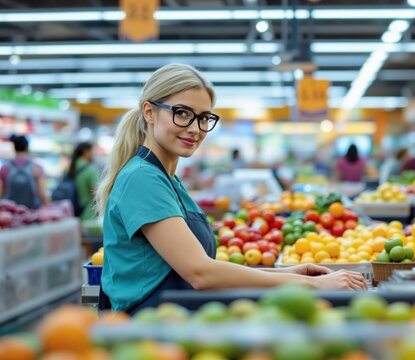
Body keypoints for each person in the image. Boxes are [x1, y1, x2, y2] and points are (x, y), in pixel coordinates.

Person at [95, 64, 366, 313]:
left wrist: (290, 274)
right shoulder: (143, 179)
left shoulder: (167, 178)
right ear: (149, 112)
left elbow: (203, 270)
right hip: (150, 334)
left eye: (203, 118)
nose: (195, 128)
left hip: (177, 321)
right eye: (182, 113)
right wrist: (313, 286)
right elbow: (200, 273)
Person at [0, 135, 49, 209]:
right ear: (27, 148)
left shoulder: (4, 168)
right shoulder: (36, 168)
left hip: (10, 212)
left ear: (14, 148)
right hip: (31, 213)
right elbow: (42, 194)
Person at [68, 142, 100, 220]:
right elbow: (97, 193)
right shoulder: (90, 170)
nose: (94, 154)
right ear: (86, 152)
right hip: (87, 215)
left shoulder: (69, 169)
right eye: (92, 151)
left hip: (70, 214)